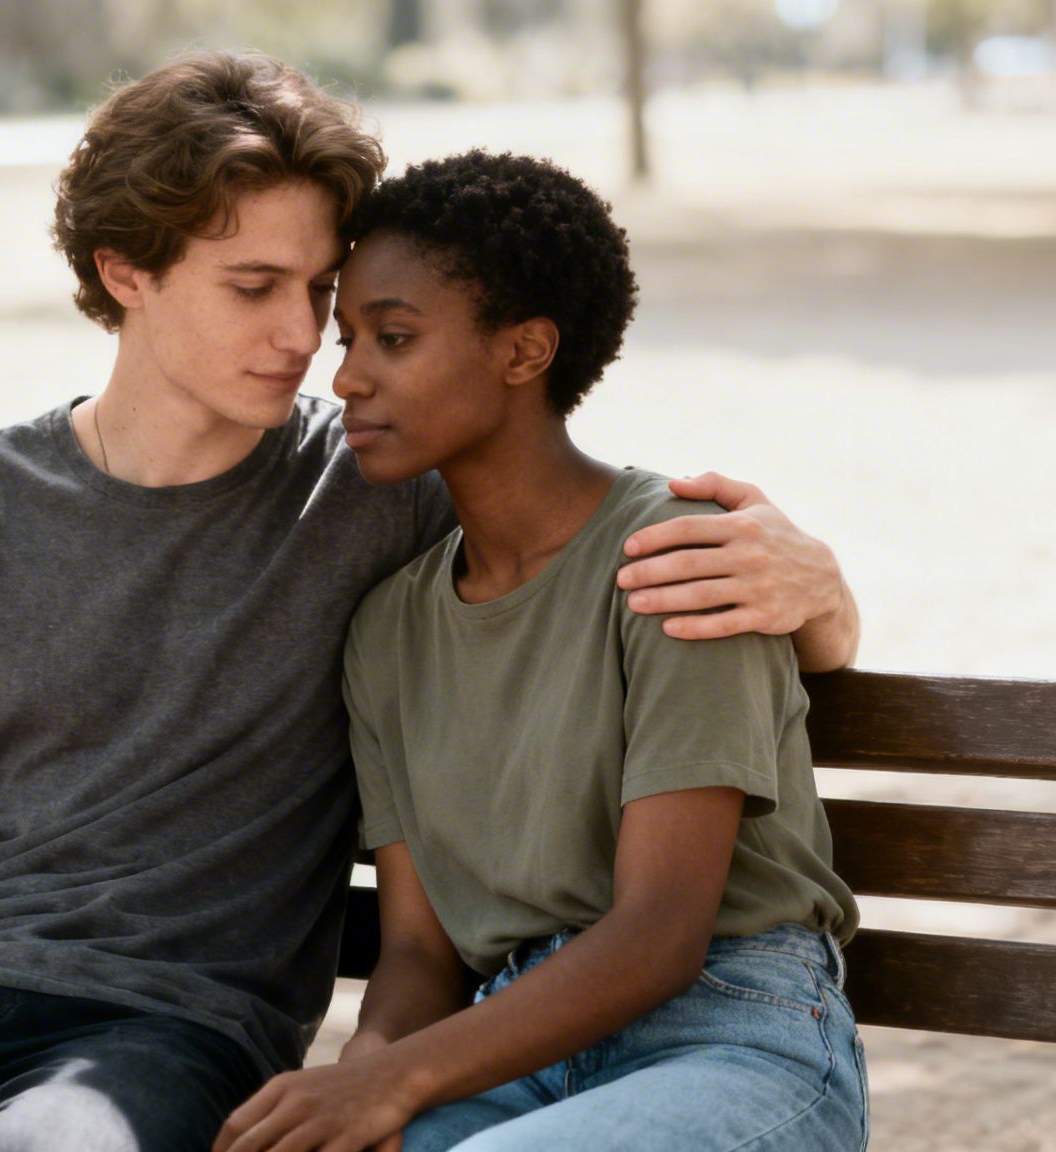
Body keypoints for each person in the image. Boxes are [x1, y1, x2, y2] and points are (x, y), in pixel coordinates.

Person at [0, 54, 856, 1152]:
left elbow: (564, 495)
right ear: (124, 273)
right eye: (255, 289)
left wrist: (824, 598)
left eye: (323, 297)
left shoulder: (379, 486)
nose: (308, 348)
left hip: (157, 1037)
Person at [213, 152, 866, 1152]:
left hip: (730, 1037)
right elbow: (421, 953)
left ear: (522, 353)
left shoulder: (678, 559)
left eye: (393, 337)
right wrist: (364, 1082)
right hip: (507, 1050)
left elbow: (658, 936)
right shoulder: (388, 630)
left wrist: (400, 1079)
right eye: (349, 340)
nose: (343, 375)